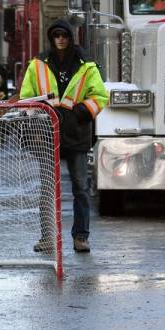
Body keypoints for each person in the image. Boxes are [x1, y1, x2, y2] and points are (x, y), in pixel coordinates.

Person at [17, 19, 109, 253]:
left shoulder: (86, 65)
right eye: (56, 35)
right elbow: (27, 97)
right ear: (51, 38)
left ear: (70, 37)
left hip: (76, 134)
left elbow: (100, 96)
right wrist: (37, 121)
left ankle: (81, 237)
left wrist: (80, 111)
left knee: (80, 187)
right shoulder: (37, 64)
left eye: (64, 35)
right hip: (48, 133)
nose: (60, 39)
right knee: (48, 188)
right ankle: (47, 238)